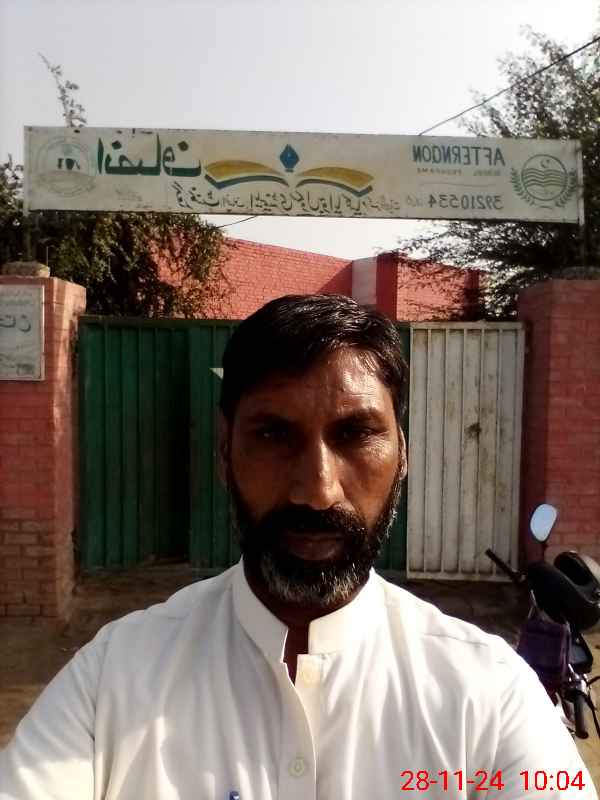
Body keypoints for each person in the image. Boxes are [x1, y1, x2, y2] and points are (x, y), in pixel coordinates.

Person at [0, 293, 596, 800]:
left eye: (355, 434)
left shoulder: (490, 694)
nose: (317, 489)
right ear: (225, 453)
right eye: (273, 435)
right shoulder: (113, 679)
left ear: (403, 455)